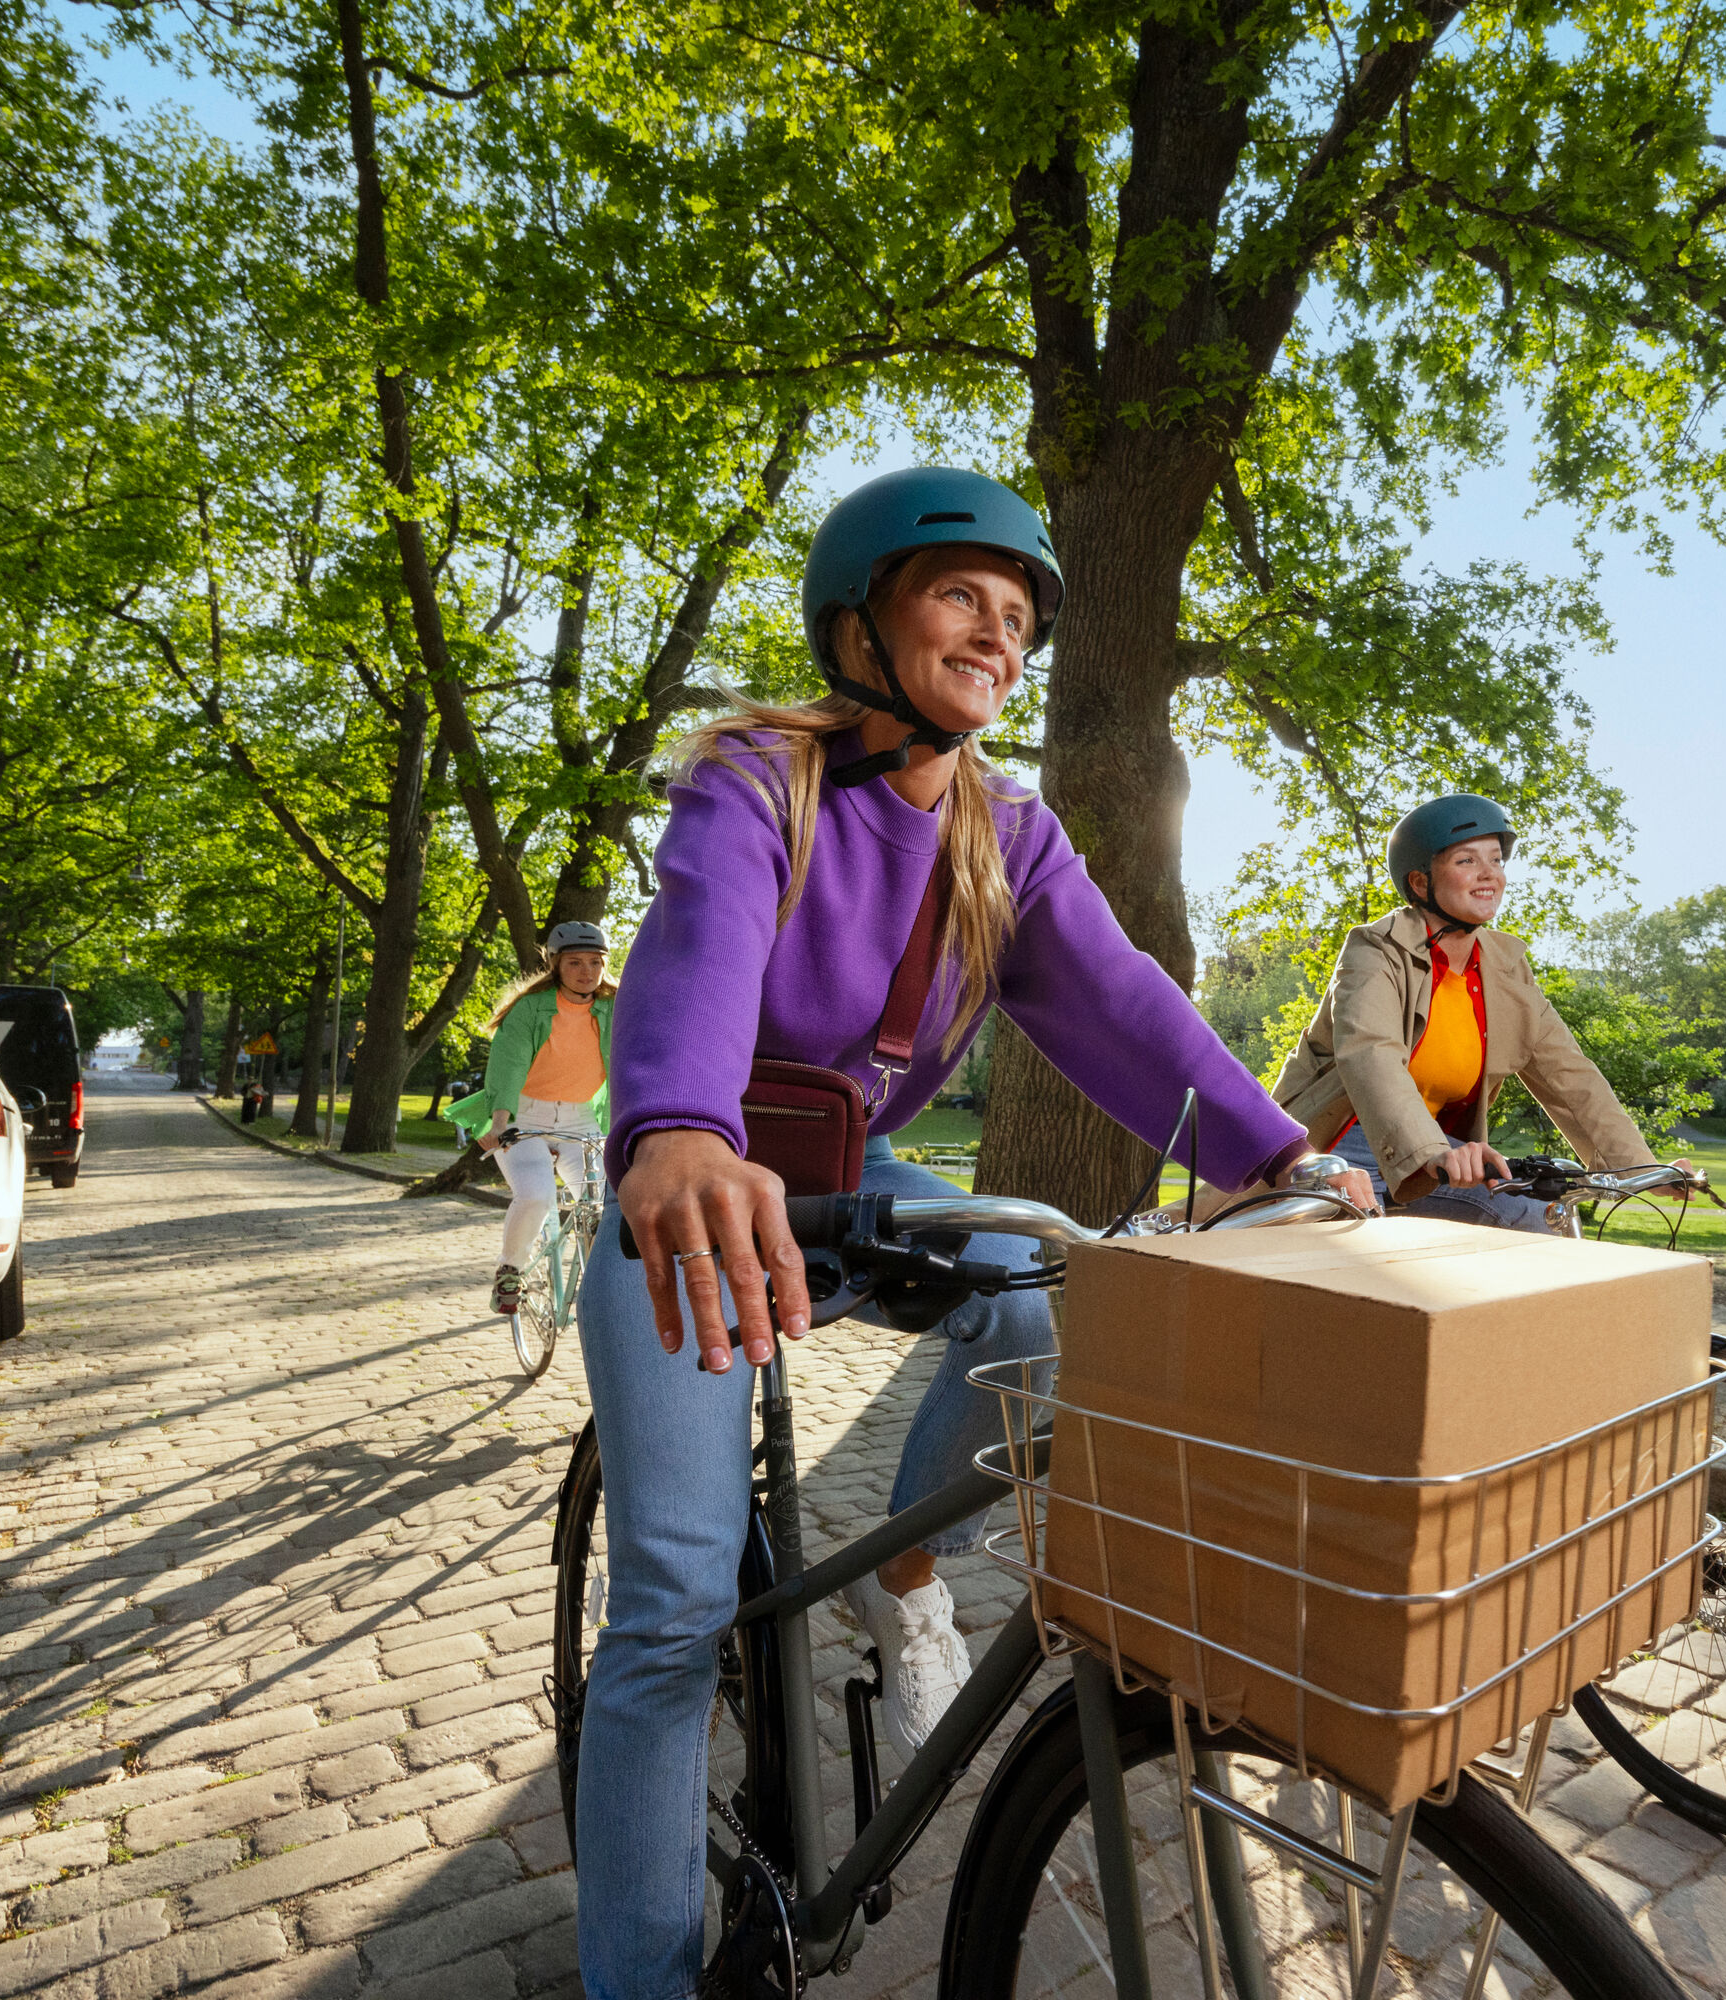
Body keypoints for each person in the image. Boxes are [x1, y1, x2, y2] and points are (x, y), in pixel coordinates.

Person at [576, 466, 1372, 2000]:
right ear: (861, 623)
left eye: (1017, 621)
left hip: (854, 1177)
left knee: (1036, 1283)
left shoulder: (1008, 835)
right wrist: (673, 1125)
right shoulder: (757, 777)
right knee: (675, 1603)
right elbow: (699, 939)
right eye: (961, 599)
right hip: (692, 1194)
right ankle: (641, 1979)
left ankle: (909, 1576)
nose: (997, 639)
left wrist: (1275, 1158)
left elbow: (1124, 1006)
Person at [1271, 794, 1671, 1226]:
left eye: (1496, 860)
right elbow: (1372, 1055)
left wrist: (1640, 1167)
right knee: (1523, 1217)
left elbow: (1571, 1076)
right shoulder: (1376, 950)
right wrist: (1433, 1152)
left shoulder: (1504, 968)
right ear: (1421, 882)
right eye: (1466, 861)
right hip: (1341, 1144)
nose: (1489, 876)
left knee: (1547, 1217)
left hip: (1434, 1152)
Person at [447, 922, 616, 1313]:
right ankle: (510, 1271)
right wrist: (500, 1123)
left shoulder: (615, 1006)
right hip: (523, 1116)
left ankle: (607, 1285)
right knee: (537, 1197)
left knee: (605, 1204)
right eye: (575, 962)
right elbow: (508, 1067)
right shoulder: (530, 1008)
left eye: (596, 962)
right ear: (555, 964)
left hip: (581, 1118)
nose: (587, 972)